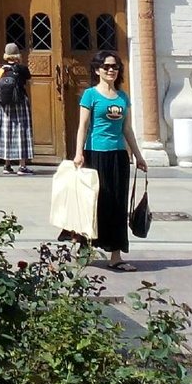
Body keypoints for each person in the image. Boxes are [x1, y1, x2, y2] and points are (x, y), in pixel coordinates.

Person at [73, 51, 148, 271]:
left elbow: (127, 129)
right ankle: (85, 248)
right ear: (97, 70)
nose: (111, 70)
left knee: (118, 203)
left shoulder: (123, 97)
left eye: (115, 67)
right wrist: (79, 153)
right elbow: (83, 127)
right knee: (95, 202)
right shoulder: (90, 95)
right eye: (106, 67)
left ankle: (116, 255)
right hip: (96, 153)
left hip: (118, 156)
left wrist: (138, 155)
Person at [0, 43, 34, 174]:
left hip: (4, 106)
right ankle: (22, 166)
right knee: (21, 132)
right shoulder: (21, 69)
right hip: (20, 104)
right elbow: (28, 79)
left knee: (6, 133)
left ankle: (7, 165)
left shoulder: (1, 69)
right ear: (17, 54)